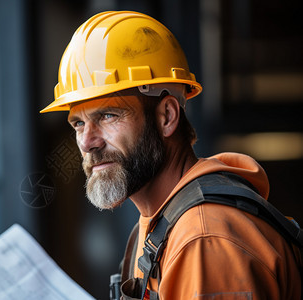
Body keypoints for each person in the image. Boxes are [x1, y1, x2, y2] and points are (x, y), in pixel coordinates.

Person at [40, 11, 301, 299]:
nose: (88, 141)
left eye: (108, 115)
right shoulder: (160, 224)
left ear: (166, 116)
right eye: (78, 123)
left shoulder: (203, 239)